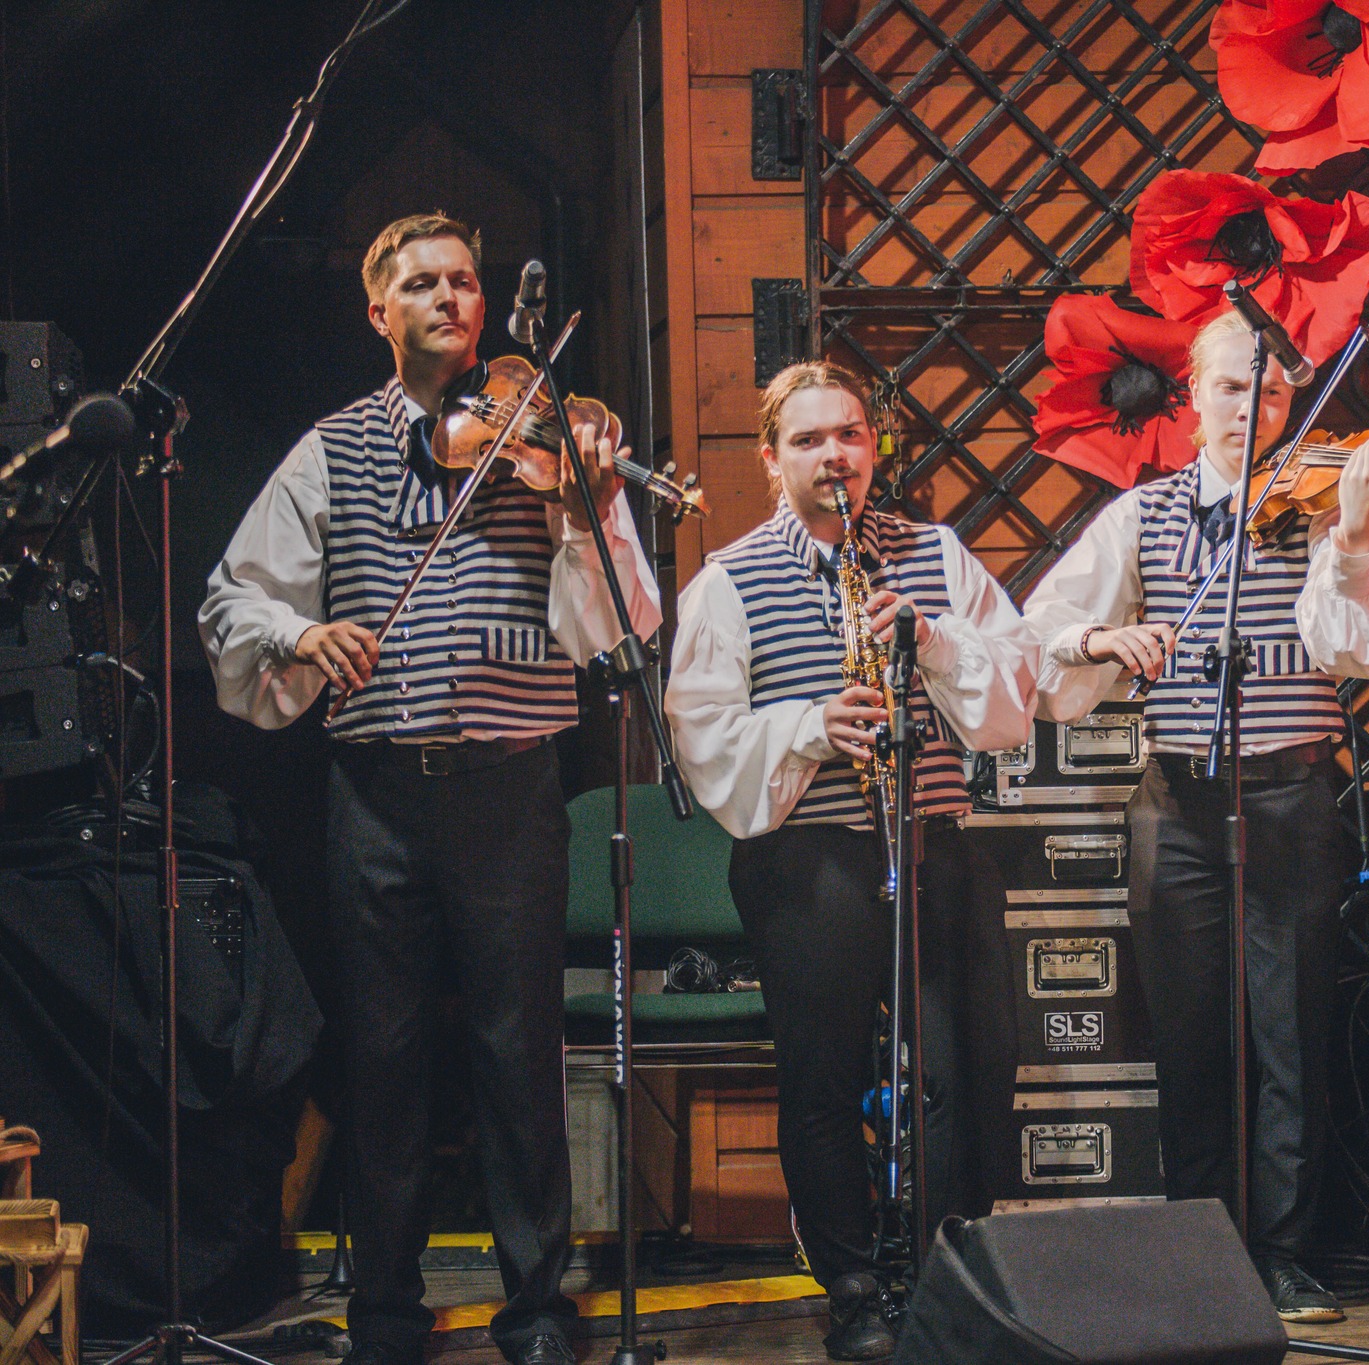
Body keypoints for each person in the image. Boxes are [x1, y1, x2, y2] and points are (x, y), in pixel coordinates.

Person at [200, 212, 662, 1365]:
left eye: (463, 280)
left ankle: (536, 1309)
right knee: (385, 1059)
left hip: (509, 788)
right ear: (379, 312)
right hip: (377, 796)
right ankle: (387, 1312)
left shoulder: (546, 443)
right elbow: (231, 598)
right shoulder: (332, 449)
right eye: (422, 284)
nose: (451, 297)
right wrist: (302, 634)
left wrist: (585, 513)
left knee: (520, 1055)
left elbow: (614, 629)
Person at [1022, 309, 1369, 1322]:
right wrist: (1101, 638)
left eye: (1272, 391)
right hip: (1178, 802)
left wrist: (1352, 534)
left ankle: (1284, 1253)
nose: (1253, 407)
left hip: (1290, 797)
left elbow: (1355, 649)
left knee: (1289, 1039)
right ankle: (1202, 1253)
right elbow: (1041, 624)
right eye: (1234, 386)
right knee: (1188, 1041)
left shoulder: (1322, 512)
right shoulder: (1145, 515)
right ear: (1192, 395)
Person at [663, 361, 1036, 1361]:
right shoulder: (728, 579)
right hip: (808, 864)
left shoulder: (936, 554)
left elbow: (1013, 701)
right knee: (822, 1081)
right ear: (770, 458)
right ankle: (855, 1285)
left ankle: (950, 1273)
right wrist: (810, 727)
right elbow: (703, 740)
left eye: (850, 434)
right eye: (808, 439)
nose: (833, 454)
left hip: (933, 846)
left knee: (969, 1068)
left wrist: (933, 640)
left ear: (874, 447)